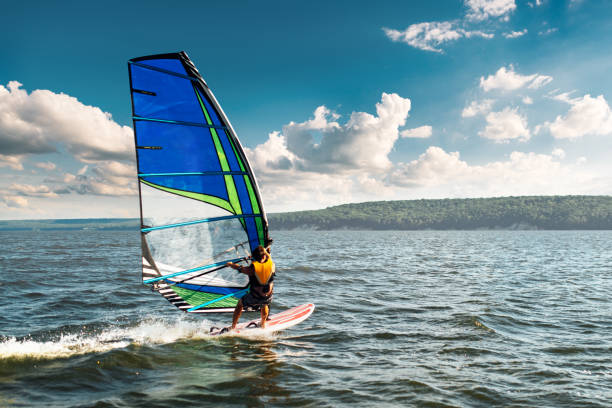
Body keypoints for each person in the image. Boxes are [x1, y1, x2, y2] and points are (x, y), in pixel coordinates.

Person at [226, 245, 275, 329]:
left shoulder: (253, 268)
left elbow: (240, 268)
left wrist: (231, 265)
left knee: (240, 303)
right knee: (264, 304)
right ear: (264, 256)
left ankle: (233, 327)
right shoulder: (272, 264)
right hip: (268, 296)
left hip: (255, 297)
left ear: (254, 257)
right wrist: (265, 251)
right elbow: (268, 256)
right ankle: (263, 324)